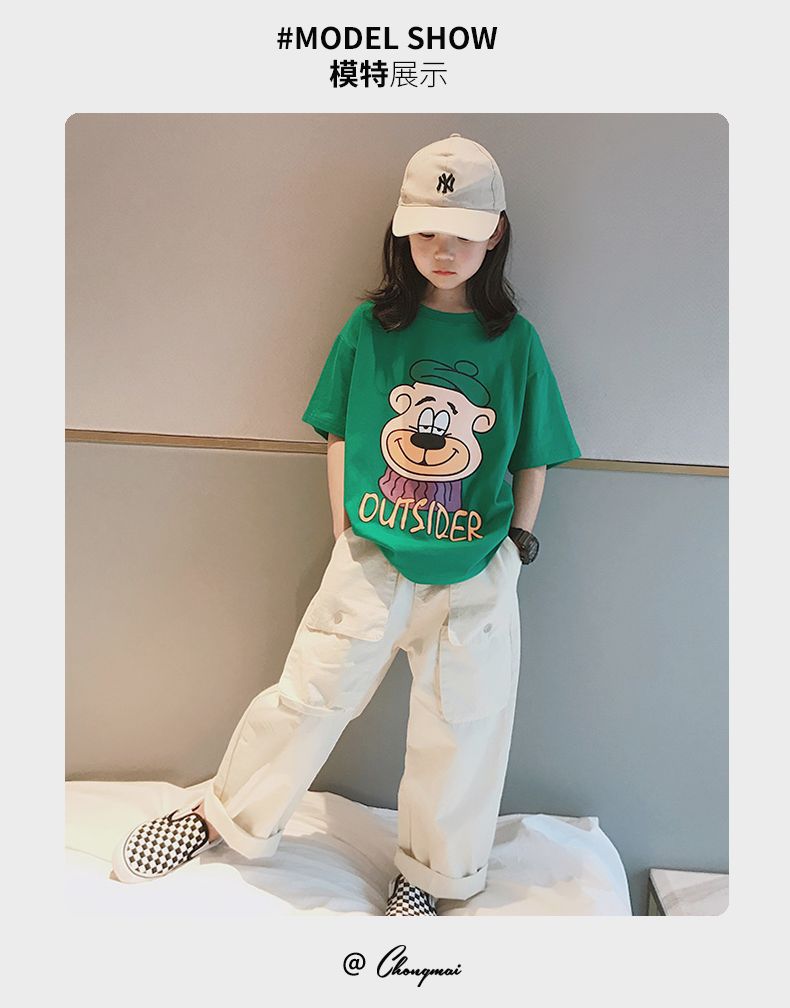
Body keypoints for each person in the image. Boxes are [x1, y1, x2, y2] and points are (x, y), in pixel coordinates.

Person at [110, 134, 582, 916]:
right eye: (427, 232)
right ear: (402, 230)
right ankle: (221, 816)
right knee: (309, 697)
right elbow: (335, 426)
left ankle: (430, 876)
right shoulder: (372, 327)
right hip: (372, 555)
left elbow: (536, 452)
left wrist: (517, 547)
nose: (443, 250)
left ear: (495, 233)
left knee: (464, 727)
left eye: (462, 234)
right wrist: (342, 524)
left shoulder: (515, 343)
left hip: (475, 570)